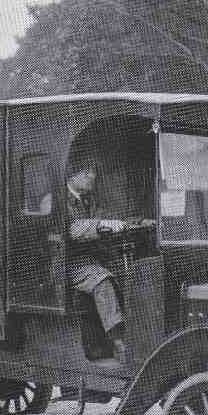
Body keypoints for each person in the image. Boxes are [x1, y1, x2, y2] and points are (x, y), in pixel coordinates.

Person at [66, 156, 131, 367]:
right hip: (66, 262)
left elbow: (109, 217)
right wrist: (101, 225)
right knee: (102, 280)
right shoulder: (61, 200)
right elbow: (73, 230)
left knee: (129, 274)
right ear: (73, 176)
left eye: (93, 172)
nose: (93, 176)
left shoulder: (88, 200)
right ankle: (118, 341)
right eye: (87, 172)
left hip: (92, 260)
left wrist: (135, 222)